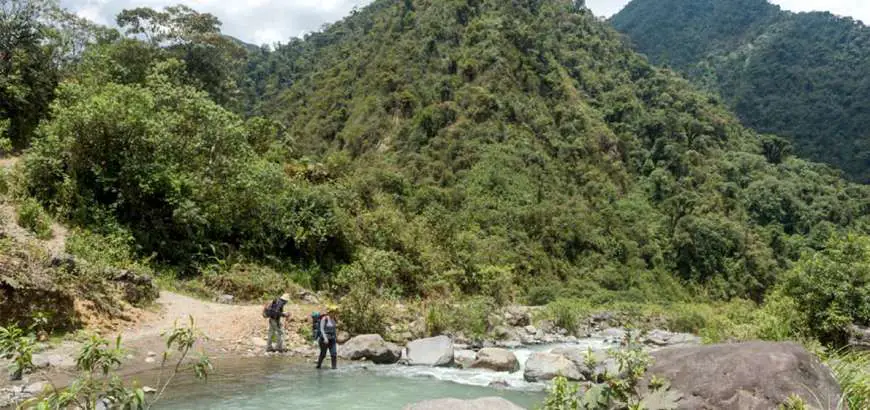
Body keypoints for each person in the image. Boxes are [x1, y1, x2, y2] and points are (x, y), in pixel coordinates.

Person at [316, 305, 338, 369]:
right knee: (323, 354)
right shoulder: (324, 319)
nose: (335, 313)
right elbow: (321, 329)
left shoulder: (334, 319)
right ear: (330, 312)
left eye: (335, 312)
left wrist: (336, 337)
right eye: (333, 312)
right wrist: (325, 338)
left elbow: (334, 329)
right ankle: (318, 366)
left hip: (332, 339)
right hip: (324, 339)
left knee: (334, 354)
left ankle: (334, 368)